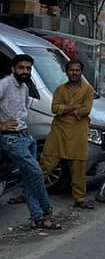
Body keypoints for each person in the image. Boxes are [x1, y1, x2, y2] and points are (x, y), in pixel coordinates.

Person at [0, 54, 59, 230]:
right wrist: (1, 124)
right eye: (21, 68)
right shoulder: (4, 84)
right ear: (13, 69)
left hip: (26, 136)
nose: (25, 71)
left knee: (28, 179)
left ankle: (37, 218)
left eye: (28, 68)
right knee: (36, 174)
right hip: (12, 140)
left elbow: (23, 110)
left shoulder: (24, 87)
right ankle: (47, 213)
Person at [40, 59, 95, 210]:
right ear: (66, 72)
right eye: (72, 70)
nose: (74, 73)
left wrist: (65, 109)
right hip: (58, 130)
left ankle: (80, 199)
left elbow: (85, 110)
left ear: (81, 72)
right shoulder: (60, 89)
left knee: (78, 167)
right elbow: (54, 108)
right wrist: (74, 107)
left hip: (78, 132)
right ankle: (29, 193)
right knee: (46, 162)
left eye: (77, 70)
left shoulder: (88, 89)